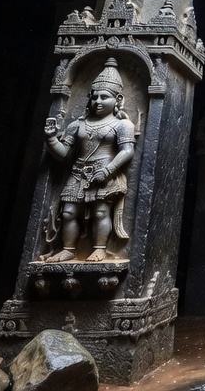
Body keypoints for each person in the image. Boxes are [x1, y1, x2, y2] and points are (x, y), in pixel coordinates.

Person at [42, 58, 134, 262]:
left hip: (105, 173)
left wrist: (108, 170)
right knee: (68, 213)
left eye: (104, 97)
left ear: (117, 99)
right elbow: (64, 153)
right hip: (78, 172)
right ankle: (68, 249)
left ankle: (100, 248)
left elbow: (127, 151)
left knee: (101, 212)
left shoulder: (122, 125)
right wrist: (51, 138)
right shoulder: (77, 124)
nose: (98, 102)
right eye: (94, 97)